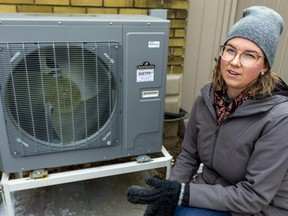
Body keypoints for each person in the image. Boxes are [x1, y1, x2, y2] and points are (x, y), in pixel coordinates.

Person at [127, 6, 288, 216]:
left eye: (249, 55)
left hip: (257, 209)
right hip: (212, 192)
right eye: (230, 50)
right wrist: (167, 194)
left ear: (265, 65)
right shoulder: (208, 98)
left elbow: (254, 197)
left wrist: (183, 193)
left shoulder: (278, 118)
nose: (234, 62)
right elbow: (189, 156)